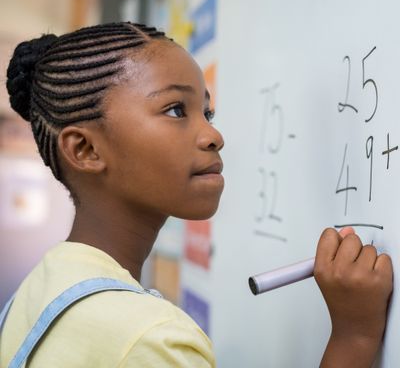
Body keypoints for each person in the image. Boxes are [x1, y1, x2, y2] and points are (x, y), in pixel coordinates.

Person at [0, 22, 393, 368]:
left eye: (207, 114)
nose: (213, 136)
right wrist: (353, 338)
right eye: (175, 110)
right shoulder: (150, 340)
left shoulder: (43, 286)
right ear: (86, 150)